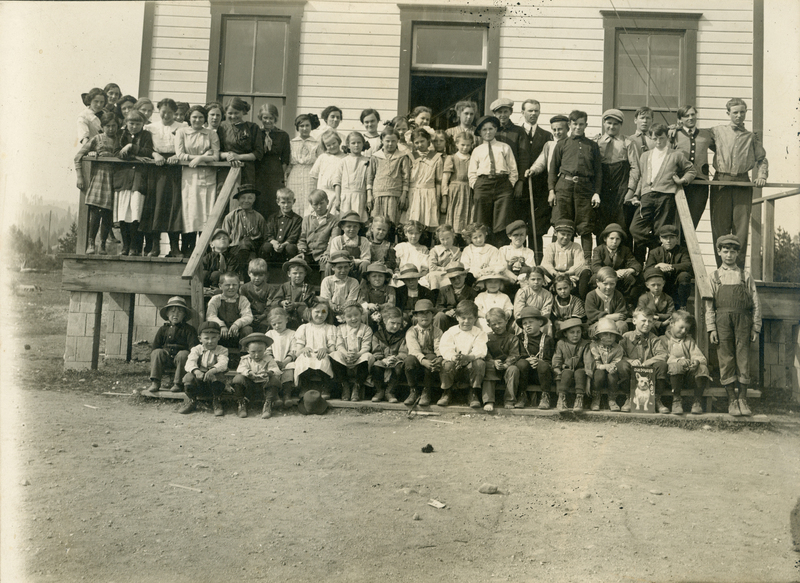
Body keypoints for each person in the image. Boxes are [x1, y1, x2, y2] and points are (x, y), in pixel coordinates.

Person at [708, 98, 769, 269]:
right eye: (735, 112)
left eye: (742, 112)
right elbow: (695, 137)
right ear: (728, 113)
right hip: (721, 182)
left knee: (740, 230)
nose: (739, 115)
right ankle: (721, 271)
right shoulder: (717, 131)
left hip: (742, 182)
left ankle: (738, 272)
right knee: (719, 227)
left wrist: (762, 176)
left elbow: (762, 159)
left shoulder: (751, 137)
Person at [706, 235, 762, 417]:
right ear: (719, 252)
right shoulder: (714, 276)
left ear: (738, 253)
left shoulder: (745, 276)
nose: (729, 255)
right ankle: (731, 400)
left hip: (743, 321)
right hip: (722, 321)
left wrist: (756, 326)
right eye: (725, 251)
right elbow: (709, 306)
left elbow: (755, 302)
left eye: (733, 251)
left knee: (743, 357)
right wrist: (711, 328)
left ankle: (743, 399)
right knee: (726, 357)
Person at [629, 123, 696, 263]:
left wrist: (682, 180)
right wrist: (636, 194)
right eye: (655, 139)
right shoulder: (645, 156)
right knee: (635, 228)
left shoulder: (675, 155)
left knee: (660, 229)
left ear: (667, 138)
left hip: (665, 197)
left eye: (662, 138)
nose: (658, 142)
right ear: (651, 138)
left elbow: (691, 170)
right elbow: (642, 177)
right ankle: (655, 246)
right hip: (647, 196)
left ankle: (655, 262)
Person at [548, 110, 602, 262]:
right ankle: (553, 260)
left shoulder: (592, 146)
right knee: (560, 224)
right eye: (575, 124)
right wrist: (551, 191)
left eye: (581, 124)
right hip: (564, 187)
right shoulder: (562, 144)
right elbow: (553, 170)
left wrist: (596, 192)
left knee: (585, 226)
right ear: (570, 125)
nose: (578, 127)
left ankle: (586, 262)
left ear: (586, 125)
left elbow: (598, 173)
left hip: (585, 189)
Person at [142, 98, 186, 257]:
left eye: (170, 113)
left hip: (175, 168)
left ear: (175, 112)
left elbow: (186, 146)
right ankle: (155, 246)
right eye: (163, 112)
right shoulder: (150, 127)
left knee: (174, 206)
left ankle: (175, 247)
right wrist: (155, 154)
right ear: (158, 112)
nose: (166, 115)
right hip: (157, 167)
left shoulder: (183, 127)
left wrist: (177, 156)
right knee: (157, 206)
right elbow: (145, 147)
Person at [176, 105, 220, 257]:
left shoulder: (211, 134)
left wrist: (201, 158)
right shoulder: (182, 132)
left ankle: (204, 248)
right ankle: (187, 246)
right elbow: (180, 154)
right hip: (189, 176)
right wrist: (195, 157)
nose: (197, 120)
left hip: (208, 175)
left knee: (206, 210)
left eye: (201, 117)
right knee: (190, 210)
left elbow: (215, 156)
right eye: (194, 117)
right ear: (189, 118)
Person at [74, 112, 120, 255]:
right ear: (102, 126)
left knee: (108, 214)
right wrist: (80, 176)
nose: (111, 129)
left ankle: (103, 245)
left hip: (114, 179)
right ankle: (91, 243)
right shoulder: (97, 139)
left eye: (114, 126)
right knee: (95, 213)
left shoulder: (120, 140)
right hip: (99, 179)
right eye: (107, 126)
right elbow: (78, 157)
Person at [527, 114, 570, 263]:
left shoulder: (571, 144)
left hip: (565, 188)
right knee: (538, 224)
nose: (557, 132)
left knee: (560, 224)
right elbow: (541, 162)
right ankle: (537, 259)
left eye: (560, 129)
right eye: (554, 129)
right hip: (549, 188)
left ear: (568, 129)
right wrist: (533, 169)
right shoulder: (549, 145)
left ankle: (557, 259)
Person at [468, 115, 518, 244]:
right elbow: (472, 172)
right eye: (484, 130)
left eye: (491, 128)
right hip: (483, 185)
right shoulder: (477, 150)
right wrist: (476, 186)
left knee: (502, 220)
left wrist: (509, 184)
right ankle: (483, 249)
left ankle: (500, 249)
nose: (488, 132)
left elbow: (513, 169)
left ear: (496, 130)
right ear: (480, 132)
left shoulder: (504, 147)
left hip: (502, 185)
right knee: (481, 220)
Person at [593, 109, 640, 242]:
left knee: (622, 223)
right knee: (601, 224)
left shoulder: (628, 142)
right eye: (609, 123)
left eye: (615, 124)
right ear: (603, 123)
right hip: (602, 187)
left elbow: (635, 167)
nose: (612, 127)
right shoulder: (596, 142)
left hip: (621, 187)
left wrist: (630, 190)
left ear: (620, 125)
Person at [115, 110, 153, 256]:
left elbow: (148, 151)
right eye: (131, 123)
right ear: (126, 123)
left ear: (143, 124)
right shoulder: (120, 134)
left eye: (138, 124)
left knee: (136, 213)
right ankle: (125, 246)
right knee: (123, 213)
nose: (134, 126)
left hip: (139, 179)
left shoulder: (146, 135)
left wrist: (131, 147)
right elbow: (117, 153)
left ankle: (135, 246)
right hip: (123, 179)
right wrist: (136, 157)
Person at [518, 99, 554, 256]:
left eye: (536, 111)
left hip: (538, 189)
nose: (533, 114)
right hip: (519, 188)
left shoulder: (546, 135)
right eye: (530, 110)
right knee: (519, 226)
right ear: (523, 112)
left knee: (536, 228)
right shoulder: (516, 133)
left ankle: (537, 263)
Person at [670, 105, 715, 228]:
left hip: (700, 183)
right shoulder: (674, 135)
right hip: (679, 183)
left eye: (692, 114)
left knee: (693, 222)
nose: (690, 118)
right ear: (680, 119)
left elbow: (722, 148)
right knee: (677, 222)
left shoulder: (706, 135)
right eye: (686, 116)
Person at [617, 307, 669, 413]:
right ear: (634, 321)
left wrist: (648, 362)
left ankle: (656, 399)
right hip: (631, 373)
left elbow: (663, 354)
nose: (647, 324)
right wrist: (630, 361)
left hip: (648, 374)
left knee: (662, 365)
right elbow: (618, 355)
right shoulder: (626, 337)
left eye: (650, 321)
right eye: (643, 321)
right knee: (621, 365)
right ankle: (629, 398)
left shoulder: (654, 338)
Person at [660, 310, 711, 416]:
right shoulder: (663, 340)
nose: (684, 331)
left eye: (686, 329)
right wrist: (678, 360)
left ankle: (697, 401)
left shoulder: (689, 341)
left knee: (702, 368)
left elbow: (700, 357)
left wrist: (696, 361)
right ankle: (676, 400)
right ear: (671, 324)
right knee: (676, 366)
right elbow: (662, 358)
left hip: (687, 378)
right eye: (681, 327)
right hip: (670, 379)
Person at [438, 300, 488, 407]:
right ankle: (447, 392)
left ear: (475, 318)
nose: (466, 321)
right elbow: (445, 348)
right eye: (463, 318)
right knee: (446, 364)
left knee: (480, 363)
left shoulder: (480, 333)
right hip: (454, 366)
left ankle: (473, 392)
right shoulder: (450, 332)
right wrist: (453, 356)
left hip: (470, 367)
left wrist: (469, 357)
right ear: (457, 318)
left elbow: (481, 349)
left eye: (470, 318)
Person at [147, 297, 199, 394]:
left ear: (184, 315)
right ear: (167, 314)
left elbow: (194, 348)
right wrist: (158, 355)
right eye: (172, 311)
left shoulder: (189, 329)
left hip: (181, 361)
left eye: (179, 312)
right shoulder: (163, 329)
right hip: (166, 359)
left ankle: (178, 383)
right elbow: (155, 346)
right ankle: (155, 382)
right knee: (157, 352)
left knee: (184, 354)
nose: (175, 315)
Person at [178, 321, 230, 416]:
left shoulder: (222, 350)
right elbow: (190, 362)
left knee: (220, 376)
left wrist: (213, 370)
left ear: (219, 337)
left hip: (213, 380)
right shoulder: (196, 349)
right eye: (206, 338)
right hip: (200, 380)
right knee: (188, 377)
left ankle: (216, 400)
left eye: (214, 338)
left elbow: (223, 363)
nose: (210, 341)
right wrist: (196, 371)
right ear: (200, 339)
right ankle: (192, 400)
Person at [292, 298, 337, 398]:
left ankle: (325, 386)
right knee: (303, 360)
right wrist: (303, 349)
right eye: (317, 312)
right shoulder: (304, 328)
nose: (320, 315)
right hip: (307, 354)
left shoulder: (330, 328)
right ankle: (305, 385)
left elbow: (332, 350)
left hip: (323, 354)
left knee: (323, 361)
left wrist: (326, 349)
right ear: (310, 311)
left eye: (324, 312)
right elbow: (298, 351)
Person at [330, 302, 374, 402]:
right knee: (335, 354)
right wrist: (346, 354)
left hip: (359, 358)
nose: (353, 318)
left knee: (368, 356)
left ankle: (357, 386)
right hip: (345, 358)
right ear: (343, 317)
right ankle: (344, 385)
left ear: (361, 314)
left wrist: (358, 354)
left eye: (356, 315)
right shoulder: (340, 329)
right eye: (349, 316)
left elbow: (366, 346)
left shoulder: (366, 329)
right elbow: (339, 345)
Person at [367, 126, 411, 227]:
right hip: (378, 195)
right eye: (387, 141)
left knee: (391, 224)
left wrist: (404, 195)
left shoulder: (402, 157)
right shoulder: (375, 157)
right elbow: (370, 177)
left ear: (397, 141)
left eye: (393, 141)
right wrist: (369, 195)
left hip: (395, 196)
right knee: (377, 224)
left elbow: (406, 177)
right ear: (382, 140)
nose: (390, 144)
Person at [218, 97, 264, 189]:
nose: (233, 116)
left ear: (243, 112)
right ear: (225, 113)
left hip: (247, 170)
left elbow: (258, 153)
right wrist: (228, 155)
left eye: (236, 113)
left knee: (245, 197)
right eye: (230, 113)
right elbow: (216, 151)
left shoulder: (253, 128)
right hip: (226, 168)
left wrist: (238, 157)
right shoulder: (222, 128)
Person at [231, 333, 280, 419]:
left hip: (264, 386)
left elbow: (275, 369)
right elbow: (241, 369)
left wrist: (269, 373)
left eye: (260, 351)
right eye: (253, 352)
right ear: (247, 350)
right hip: (250, 386)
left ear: (265, 349)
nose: (256, 355)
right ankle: (241, 403)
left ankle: (268, 404)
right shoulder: (245, 359)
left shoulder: (269, 359)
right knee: (238, 378)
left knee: (274, 380)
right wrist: (249, 373)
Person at [404, 299, 443, 406]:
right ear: (415, 316)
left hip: (430, 365)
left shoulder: (437, 331)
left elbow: (438, 347)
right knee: (409, 359)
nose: (424, 316)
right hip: (417, 361)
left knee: (432, 357)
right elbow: (414, 349)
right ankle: (413, 390)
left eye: (428, 313)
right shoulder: (412, 331)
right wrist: (422, 360)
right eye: (421, 313)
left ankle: (426, 391)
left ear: (433, 315)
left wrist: (439, 357)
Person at [255, 103, 292, 219]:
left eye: (271, 118)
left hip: (275, 172)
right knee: (259, 201)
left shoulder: (283, 135)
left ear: (275, 118)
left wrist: (281, 177)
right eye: (265, 118)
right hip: (259, 171)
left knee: (274, 202)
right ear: (260, 118)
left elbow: (285, 159)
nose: (268, 121)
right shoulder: (255, 133)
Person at [590, 223, 642, 304]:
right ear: (605, 239)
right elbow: (595, 266)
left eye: (617, 239)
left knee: (631, 279)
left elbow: (636, 264)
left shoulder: (625, 250)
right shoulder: (599, 250)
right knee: (594, 278)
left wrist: (629, 270)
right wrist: (613, 273)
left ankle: (627, 303)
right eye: (611, 238)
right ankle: (597, 302)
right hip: (605, 278)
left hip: (620, 278)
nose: (614, 242)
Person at [540, 219, 592, 300]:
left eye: (569, 234)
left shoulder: (576, 246)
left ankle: (582, 300)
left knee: (586, 271)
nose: (565, 237)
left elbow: (579, 264)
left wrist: (567, 273)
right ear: (555, 233)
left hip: (570, 276)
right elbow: (546, 263)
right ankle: (545, 299)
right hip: (554, 275)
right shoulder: (551, 246)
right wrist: (555, 273)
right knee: (540, 269)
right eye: (563, 234)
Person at [644, 225, 693, 310]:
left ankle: (682, 306)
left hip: (676, 282)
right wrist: (658, 266)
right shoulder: (654, 252)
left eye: (671, 238)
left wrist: (670, 267)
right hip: (661, 283)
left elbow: (687, 264)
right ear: (661, 239)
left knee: (685, 275)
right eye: (665, 238)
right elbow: (648, 269)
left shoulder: (683, 251)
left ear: (677, 239)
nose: (668, 241)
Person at [515, 306, 555, 409]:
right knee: (521, 363)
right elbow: (515, 355)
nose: (527, 326)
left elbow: (550, 360)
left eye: (530, 322)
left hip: (542, 375)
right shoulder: (519, 339)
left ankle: (545, 396)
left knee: (543, 365)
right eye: (524, 323)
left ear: (540, 323)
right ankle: (522, 395)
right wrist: (526, 360)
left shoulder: (547, 340)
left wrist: (539, 361)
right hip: (525, 374)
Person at [491, 98, 529, 204]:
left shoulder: (519, 131)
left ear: (511, 112)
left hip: (513, 179)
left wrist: (520, 181)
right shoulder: (491, 131)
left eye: (505, 112)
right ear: (494, 113)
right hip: (494, 179)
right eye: (499, 112)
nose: (502, 115)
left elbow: (523, 157)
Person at [482, 308, 522, 411]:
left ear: (506, 320)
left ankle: (509, 400)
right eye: (494, 324)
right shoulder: (487, 338)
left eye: (500, 323)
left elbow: (514, 355)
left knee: (514, 369)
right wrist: (493, 362)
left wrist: (506, 364)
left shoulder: (513, 338)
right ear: (489, 325)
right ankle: (489, 400)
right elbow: (485, 354)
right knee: (488, 367)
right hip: (493, 366)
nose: (498, 326)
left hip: (507, 367)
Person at [206, 272, 253, 356]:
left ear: (239, 285)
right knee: (209, 327)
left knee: (247, 329)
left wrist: (237, 324)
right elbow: (210, 316)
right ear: (220, 286)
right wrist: (221, 325)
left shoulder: (242, 299)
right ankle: (213, 354)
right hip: (221, 333)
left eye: (234, 285)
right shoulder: (216, 299)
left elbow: (248, 316)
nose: (231, 287)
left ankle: (244, 354)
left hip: (236, 334)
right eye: (227, 285)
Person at [220, 184, 268, 267]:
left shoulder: (259, 217)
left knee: (247, 244)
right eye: (243, 197)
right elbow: (224, 237)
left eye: (250, 198)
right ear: (238, 199)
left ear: (254, 199)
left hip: (254, 248)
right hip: (234, 250)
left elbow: (265, 236)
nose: (246, 200)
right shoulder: (230, 217)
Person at [552, 317, 593, 411]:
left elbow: (588, 362)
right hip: (565, 371)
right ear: (565, 334)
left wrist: (588, 379)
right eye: (572, 332)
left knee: (579, 372)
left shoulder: (585, 344)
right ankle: (561, 398)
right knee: (567, 372)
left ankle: (579, 399)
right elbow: (556, 360)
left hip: (580, 372)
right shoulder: (561, 343)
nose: (576, 335)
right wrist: (558, 373)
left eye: (578, 332)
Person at [407, 128, 443, 235]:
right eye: (416, 142)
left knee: (428, 220)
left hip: (429, 192)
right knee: (413, 221)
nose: (420, 144)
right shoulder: (410, 156)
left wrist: (437, 197)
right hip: (413, 192)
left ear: (428, 141)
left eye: (422, 141)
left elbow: (438, 180)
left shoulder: (436, 157)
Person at [371, 306, 408, 403]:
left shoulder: (402, 336)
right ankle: (379, 391)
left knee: (399, 367)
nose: (396, 326)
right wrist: (383, 359)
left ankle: (390, 392)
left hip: (396, 361)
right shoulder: (377, 336)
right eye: (393, 323)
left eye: (398, 324)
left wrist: (395, 358)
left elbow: (403, 352)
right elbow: (376, 351)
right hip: (382, 360)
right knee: (376, 367)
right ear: (385, 321)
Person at [286, 113, 321, 217]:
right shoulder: (291, 143)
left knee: (308, 201)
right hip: (294, 175)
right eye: (301, 126)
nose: (304, 128)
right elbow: (288, 163)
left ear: (311, 127)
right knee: (294, 200)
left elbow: (320, 163)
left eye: (307, 125)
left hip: (310, 175)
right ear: (297, 127)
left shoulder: (316, 143)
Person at [442, 132, 475, 238]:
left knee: (468, 217)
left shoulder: (473, 158)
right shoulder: (451, 158)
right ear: (456, 144)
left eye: (468, 145)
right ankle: (454, 239)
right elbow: (445, 180)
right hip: (455, 191)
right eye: (462, 145)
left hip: (468, 191)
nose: (465, 148)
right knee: (454, 217)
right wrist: (444, 198)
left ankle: (465, 240)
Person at [588, 318, 625, 411]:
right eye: (605, 334)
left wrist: (612, 367)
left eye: (612, 334)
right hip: (598, 369)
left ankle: (612, 399)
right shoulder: (594, 346)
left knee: (613, 377)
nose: (609, 337)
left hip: (611, 369)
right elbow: (594, 361)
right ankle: (596, 398)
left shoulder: (618, 348)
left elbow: (617, 360)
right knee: (598, 375)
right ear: (599, 335)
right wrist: (604, 366)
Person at [334, 132, 371, 222]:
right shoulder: (343, 161)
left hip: (361, 196)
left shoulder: (367, 161)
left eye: (359, 143)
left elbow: (369, 181)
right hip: (345, 197)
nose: (356, 145)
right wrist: (337, 198)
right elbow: (337, 181)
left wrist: (369, 197)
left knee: (359, 221)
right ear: (348, 145)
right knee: (346, 221)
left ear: (363, 144)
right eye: (353, 143)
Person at [270, 257, 315, 330]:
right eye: (295, 273)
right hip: (286, 315)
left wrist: (295, 304)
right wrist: (283, 303)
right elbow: (274, 301)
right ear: (289, 274)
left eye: (301, 273)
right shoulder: (284, 286)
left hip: (301, 317)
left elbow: (310, 302)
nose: (298, 276)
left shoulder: (308, 288)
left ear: (305, 274)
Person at [298, 189, 337, 272]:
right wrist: (302, 250)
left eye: (322, 203)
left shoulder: (334, 220)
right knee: (296, 264)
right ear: (311, 205)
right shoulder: (306, 219)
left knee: (327, 266)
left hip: (323, 254)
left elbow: (333, 240)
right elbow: (302, 238)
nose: (319, 207)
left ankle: (325, 285)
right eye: (316, 204)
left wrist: (327, 254)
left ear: (327, 202)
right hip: (307, 253)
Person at [265, 307, 297, 408]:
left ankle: (287, 395)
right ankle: (276, 396)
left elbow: (294, 350)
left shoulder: (292, 334)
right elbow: (267, 350)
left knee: (289, 369)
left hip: (287, 360)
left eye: (279, 323)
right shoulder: (269, 334)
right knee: (273, 371)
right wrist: (273, 361)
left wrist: (285, 361)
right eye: (274, 324)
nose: (277, 326)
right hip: (273, 361)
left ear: (286, 320)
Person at [585, 266, 629, 337]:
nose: (609, 287)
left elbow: (621, 314)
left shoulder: (618, 295)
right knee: (598, 328)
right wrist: (609, 317)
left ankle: (618, 345)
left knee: (622, 325)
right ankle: (598, 346)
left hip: (615, 323)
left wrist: (614, 320)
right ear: (597, 282)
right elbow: (591, 315)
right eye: (605, 284)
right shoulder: (591, 295)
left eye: (612, 284)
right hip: (596, 323)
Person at [433, 262, 477, 332]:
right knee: (439, 316)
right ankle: (437, 339)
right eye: (453, 278)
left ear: (464, 275)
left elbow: (472, 309)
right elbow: (438, 307)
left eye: (459, 277)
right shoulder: (444, 290)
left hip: (464, 320)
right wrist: (446, 311)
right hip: (447, 320)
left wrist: (459, 313)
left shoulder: (472, 292)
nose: (457, 280)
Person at [325, 211, 371, 277]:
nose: (352, 229)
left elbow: (366, 259)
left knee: (365, 264)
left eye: (355, 226)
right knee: (329, 265)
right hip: (340, 266)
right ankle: (329, 283)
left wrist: (354, 262)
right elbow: (334, 257)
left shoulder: (364, 240)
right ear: (342, 227)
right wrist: (347, 263)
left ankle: (362, 286)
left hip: (357, 267)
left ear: (359, 227)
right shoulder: (337, 240)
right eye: (349, 226)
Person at [262, 187, 302, 262]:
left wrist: (284, 244)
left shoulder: (297, 219)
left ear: (294, 201)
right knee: (266, 246)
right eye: (283, 202)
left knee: (291, 248)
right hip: (274, 247)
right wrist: (273, 242)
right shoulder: (272, 218)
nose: (286, 205)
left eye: (289, 202)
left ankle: (291, 267)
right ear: (278, 202)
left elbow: (294, 236)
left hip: (287, 248)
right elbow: (268, 233)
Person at [310, 129, 345, 207]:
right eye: (328, 145)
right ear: (325, 146)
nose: (332, 146)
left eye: (334, 143)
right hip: (322, 192)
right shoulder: (322, 157)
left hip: (338, 193)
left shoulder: (345, 158)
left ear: (338, 141)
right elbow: (314, 177)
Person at [320, 251, 360, 318]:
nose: (343, 270)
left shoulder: (353, 282)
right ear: (333, 268)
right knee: (322, 310)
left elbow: (351, 300)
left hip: (347, 310)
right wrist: (331, 305)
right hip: (329, 309)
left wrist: (343, 308)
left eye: (346, 267)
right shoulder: (327, 280)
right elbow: (325, 298)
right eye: (339, 267)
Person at [638, 267, 675, 335]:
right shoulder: (643, 299)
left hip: (666, 324)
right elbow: (643, 315)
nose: (656, 288)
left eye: (659, 285)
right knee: (649, 326)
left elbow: (671, 314)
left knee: (672, 327)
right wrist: (661, 323)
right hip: (650, 324)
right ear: (647, 285)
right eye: (653, 285)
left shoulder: (668, 298)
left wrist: (658, 316)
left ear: (663, 283)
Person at [239, 258, 273, 333]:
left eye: (261, 275)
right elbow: (243, 305)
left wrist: (263, 316)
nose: (257, 278)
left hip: (264, 316)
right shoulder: (244, 288)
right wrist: (250, 316)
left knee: (265, 326)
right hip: (249, 315)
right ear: (249, 273)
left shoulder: (270, 288)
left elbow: (270, 305)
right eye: (254, 275)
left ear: (265, 275)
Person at [359, 262, 395, 329]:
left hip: (384, 311)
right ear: (368, 278)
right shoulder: (365, 289)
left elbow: (391, 304)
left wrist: (378, 307)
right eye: (374, 276)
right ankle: (366, 331)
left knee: (389, 314)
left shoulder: (389, 289)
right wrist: (369, 305)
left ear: (385, 278)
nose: (377, 278)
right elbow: (361, 301)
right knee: (365, 313)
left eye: (380, 276)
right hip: (369, 311)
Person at [426, 224, 462, 290]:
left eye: (448, 238)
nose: (445, 242)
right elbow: (432, 267)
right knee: (433, 276)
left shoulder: (457, 251)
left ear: (453, 236)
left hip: (452, 274)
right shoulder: (435, 250)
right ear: (439, 239)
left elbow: (458, 265)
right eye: (442, 239)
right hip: (438, 274)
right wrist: (445, 269)